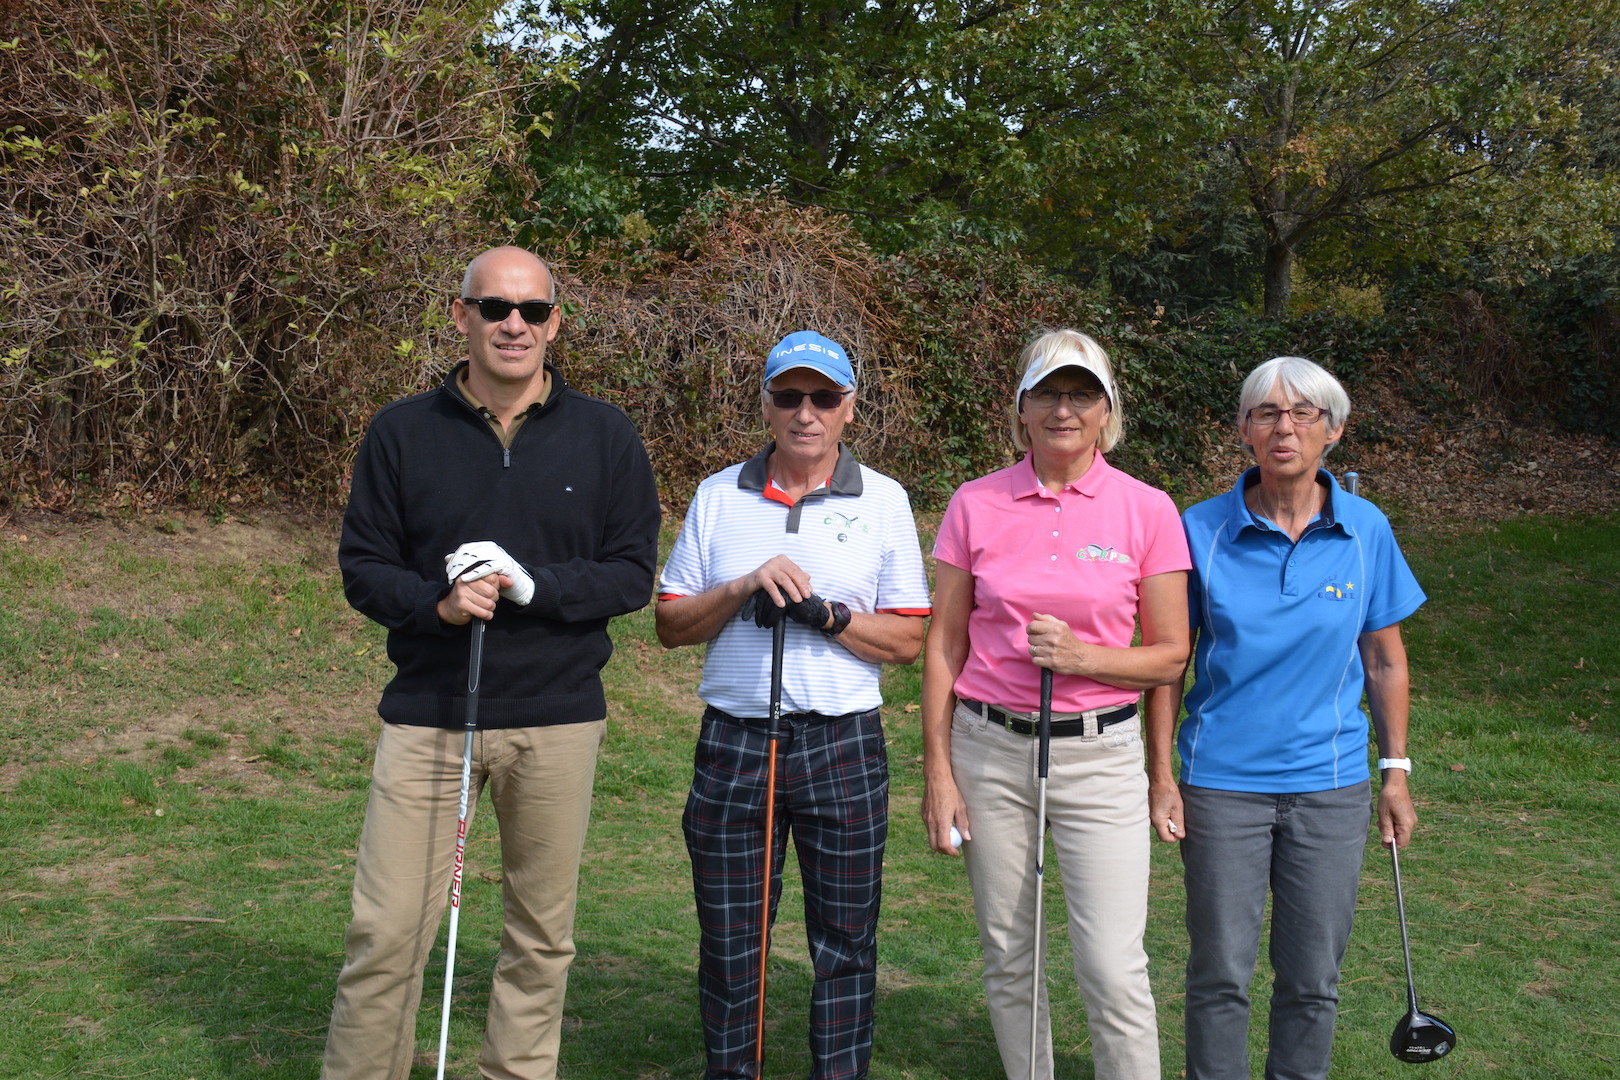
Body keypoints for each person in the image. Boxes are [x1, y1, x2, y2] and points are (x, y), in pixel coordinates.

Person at [323, 246, 661, 1080]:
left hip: (557, 717)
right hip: (432, 714)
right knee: (387, 928)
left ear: (556, 324)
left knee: (539, 937)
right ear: (461, 315)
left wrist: (533, 587)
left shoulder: (606, 434)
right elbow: (364, 566)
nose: (515, 325)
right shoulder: (403, 430)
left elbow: (630, 572)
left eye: (533, 311)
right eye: (496, 308)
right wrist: (434, 607)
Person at [655, 330, 931, 1080]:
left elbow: (909, 639)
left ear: (849, 409)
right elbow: (670, 623)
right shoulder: (718, 495)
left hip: (842, 745)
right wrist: (742, 586)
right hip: (736, 742)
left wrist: (830, 617)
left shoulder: (884, 500)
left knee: (845, 940)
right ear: (768, 406)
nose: (805, 413)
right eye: (789, 396)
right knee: (732, 937)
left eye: (823, 398)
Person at [1144, 355, 1427, 1080]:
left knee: (1311, 979)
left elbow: (1386, 662)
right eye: (1266, 412)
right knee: (1220, 973)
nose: (1284, 426)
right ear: (1243, 429)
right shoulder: (1199, 527)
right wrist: (1163, 773)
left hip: (1329, 787)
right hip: (1221, 785)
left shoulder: (1365, 529)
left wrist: (1395, 775)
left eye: (1303, 413)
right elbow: (1170, 662)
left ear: (1332, 430)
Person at [921, 329, 1190, 1080]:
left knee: (1110, 964)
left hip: (1101, 755)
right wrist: (937, 770)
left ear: (1107, 411)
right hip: (990, 750)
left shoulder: (1147, 509)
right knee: (1011, 956)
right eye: (1048, 394)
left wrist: (1085, 659)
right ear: (1022, 410)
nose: (1064, 410)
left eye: (1081, 395)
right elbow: (944, 647)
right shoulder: (976, 503)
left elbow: (1171, 653)